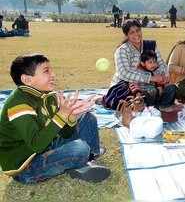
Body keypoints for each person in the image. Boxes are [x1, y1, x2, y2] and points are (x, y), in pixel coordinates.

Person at [0, 54, 111, 184]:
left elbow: (65, 133)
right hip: (27, 165)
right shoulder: (18, 105)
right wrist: (61, 115)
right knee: (79, 148)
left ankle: (89, 157)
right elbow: (36, 145)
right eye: (46, 71)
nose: (53, 75)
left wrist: (71, 118)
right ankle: (80, 161)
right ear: (27, 80)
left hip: (46, 146)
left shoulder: (48, 96)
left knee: (87, 117)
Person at [111, 19, 176, 107]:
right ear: (126, 35)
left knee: (171, 88)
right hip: (128, 85)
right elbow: (124, 73)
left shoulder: (150, 45)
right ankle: (152, 105)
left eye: (138, 30)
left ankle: (159, 107)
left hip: (152, 84)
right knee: (141, 96)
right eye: (132, 32)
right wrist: (151, 78)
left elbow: (161, 64)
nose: (136, 34)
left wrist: (163, 76)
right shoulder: (122, 50)